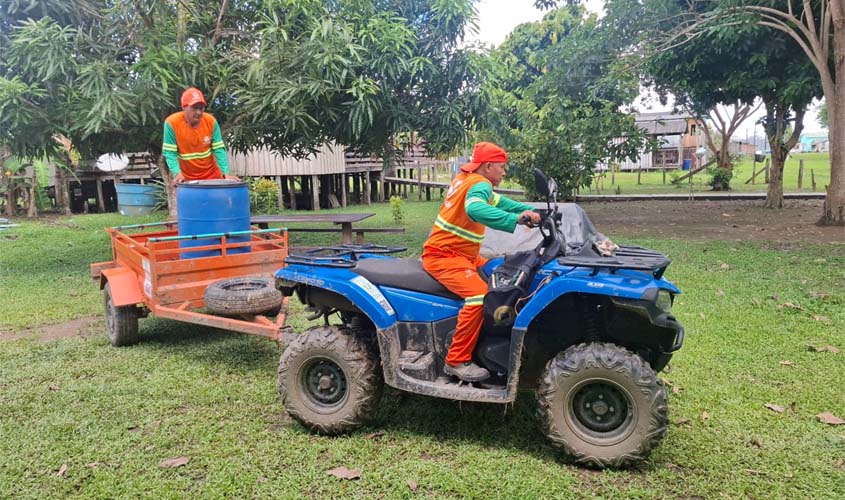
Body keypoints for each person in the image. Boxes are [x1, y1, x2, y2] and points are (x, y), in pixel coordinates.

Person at [422, 142, 541, 382]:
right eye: (501, 167)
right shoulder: (479, 184)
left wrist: (532, 209)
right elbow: (476, 210)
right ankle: (456, 360)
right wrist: (516, 219)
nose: (504, 172)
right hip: (444, 256)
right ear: (488, 166)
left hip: (465, 255)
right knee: (478, 297)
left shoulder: (467, 180)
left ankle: (490, 336)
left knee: (499, 271)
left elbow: (503, 203)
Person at [162, 88, 239, 183]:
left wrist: (226, 173)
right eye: (194, 108)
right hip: (187, 179)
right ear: (184, 107)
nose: (198, 112)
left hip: (212, 175)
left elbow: (219, 149)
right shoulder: (171, 123)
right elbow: (170, 153)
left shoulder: (211, 121)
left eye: (201, 108)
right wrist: (177, 173)